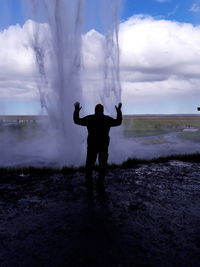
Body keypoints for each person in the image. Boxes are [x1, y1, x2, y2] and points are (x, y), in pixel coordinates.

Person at [73, 102, 122, 187]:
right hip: (103, 145)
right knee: (102, 165)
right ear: (102, 110)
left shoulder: (90, 118)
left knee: (89, 165)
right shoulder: (107, 119)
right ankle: (100, 183)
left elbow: (77, 121)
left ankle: (89, 182)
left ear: (95, 110)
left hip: (92, 145)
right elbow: (118, 122)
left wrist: (76, 111)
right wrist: (119, 112)